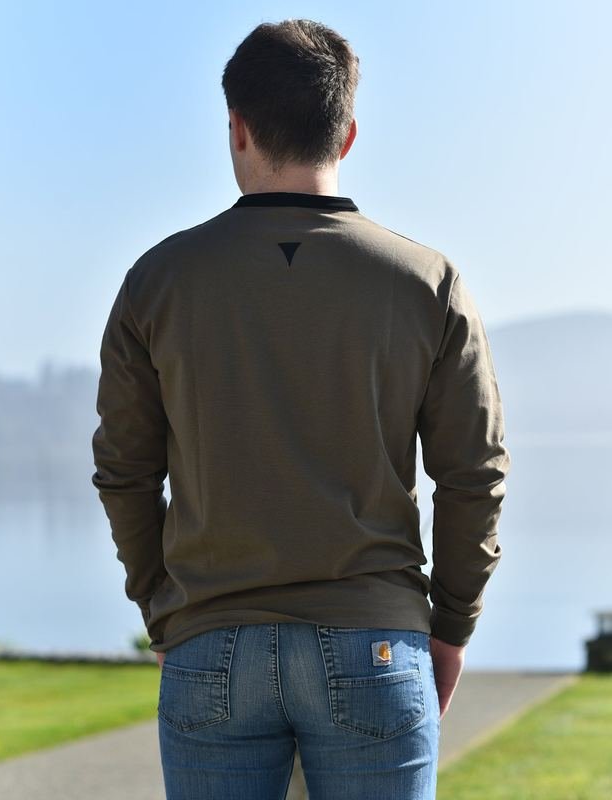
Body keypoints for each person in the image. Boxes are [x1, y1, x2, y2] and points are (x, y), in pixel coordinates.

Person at [91, 18, 510, 800]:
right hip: (375, 643)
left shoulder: (157, 281)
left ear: (237, 129)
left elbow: (124, 472)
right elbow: (473, 474)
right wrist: (452, 625)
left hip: (210, 643)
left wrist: (163, 608)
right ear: (347, 134)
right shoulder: (428, 282)